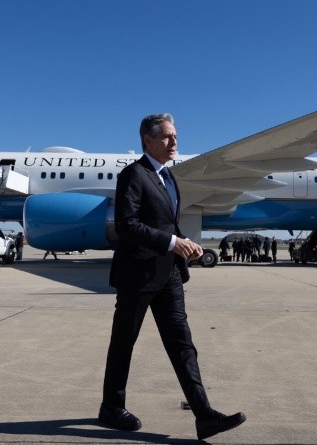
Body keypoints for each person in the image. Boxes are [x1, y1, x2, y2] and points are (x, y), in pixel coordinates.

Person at [99, 113, 245, 441]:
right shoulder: (133, 175)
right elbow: (126, 224)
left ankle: (204, 414)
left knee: (182, 344)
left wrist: (184, 245)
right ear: (148, 140)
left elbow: (168, 223)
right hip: (137, 274)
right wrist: (172, 242)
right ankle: (111, 406)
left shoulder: (169, 178)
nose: (174, 142)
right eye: (166, 137)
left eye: (175, 136)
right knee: (124, 342)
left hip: (168, 275)